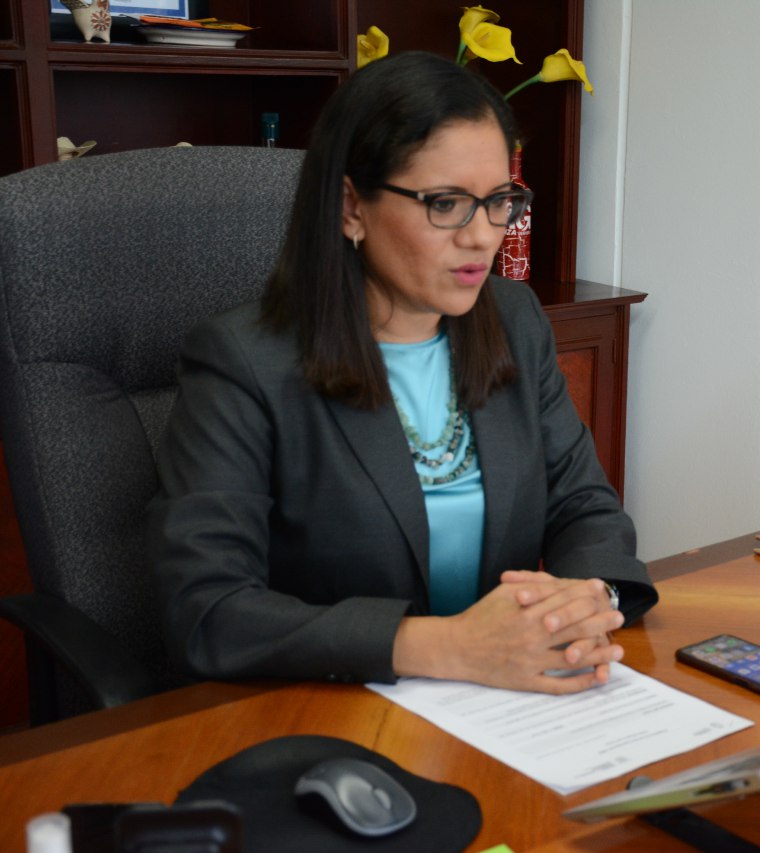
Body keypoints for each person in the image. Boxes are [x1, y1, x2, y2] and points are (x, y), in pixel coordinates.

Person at [147, 51, 657, 696]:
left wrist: (585, 599)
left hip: (505, 698)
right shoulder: (243, 361)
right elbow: (206, 610)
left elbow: (584, 506)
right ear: (351, 207)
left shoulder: (514, 318)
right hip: (325, 708)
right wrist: (451, 647)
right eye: (446, 203)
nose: (482, 237)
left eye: (499, 200)